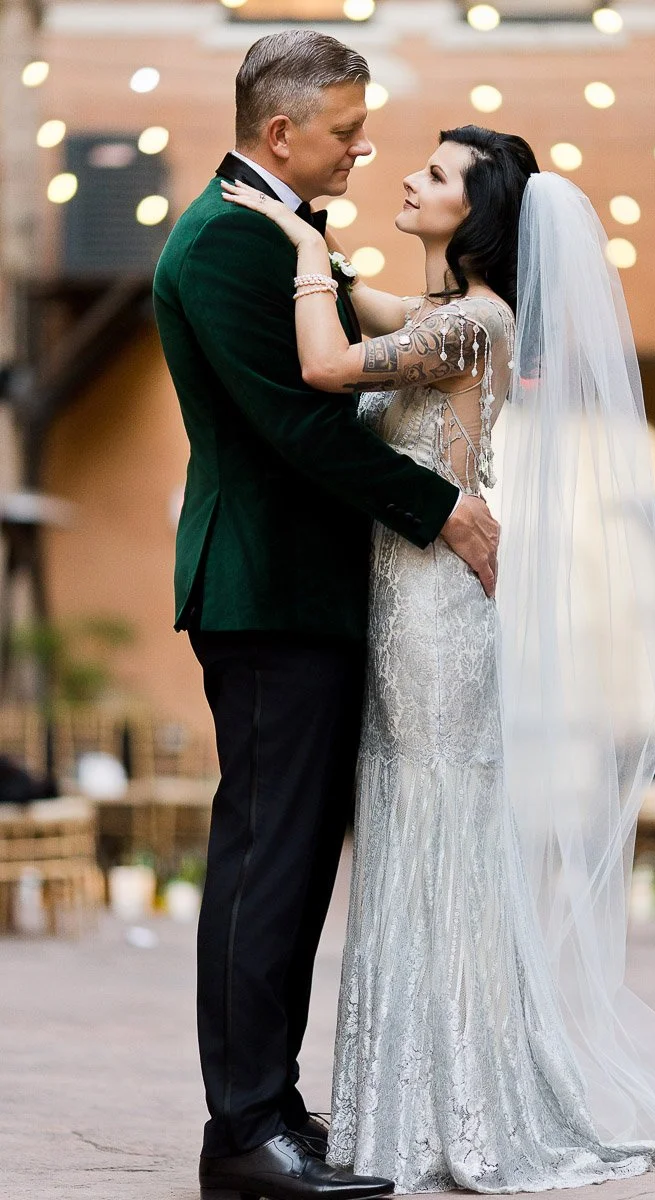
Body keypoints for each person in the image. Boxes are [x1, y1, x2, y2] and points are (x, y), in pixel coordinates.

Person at [223, 109, 655, 1193]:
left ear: (474, 215)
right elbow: (361, 299)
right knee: (407, 827)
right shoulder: (443, 315)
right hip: (400, 607)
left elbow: (325, 362)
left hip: (435, 620)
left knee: (435, 827)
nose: (410, 178)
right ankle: (413, 1098)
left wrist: (298, 241)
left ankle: (459, 1105)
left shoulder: (474, 324)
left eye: (436, 175)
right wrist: (313, 247)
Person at [153, 29, 500, 1200]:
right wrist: (440, 509)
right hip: (267, 592)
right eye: (346, 132)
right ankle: (244, 1133)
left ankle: (271, 1106)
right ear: (281, 131)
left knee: (293, 868)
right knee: (268, 863)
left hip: (303, 593)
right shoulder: (226, 243)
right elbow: (294, 424)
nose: (361, 149)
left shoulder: (276, 232)